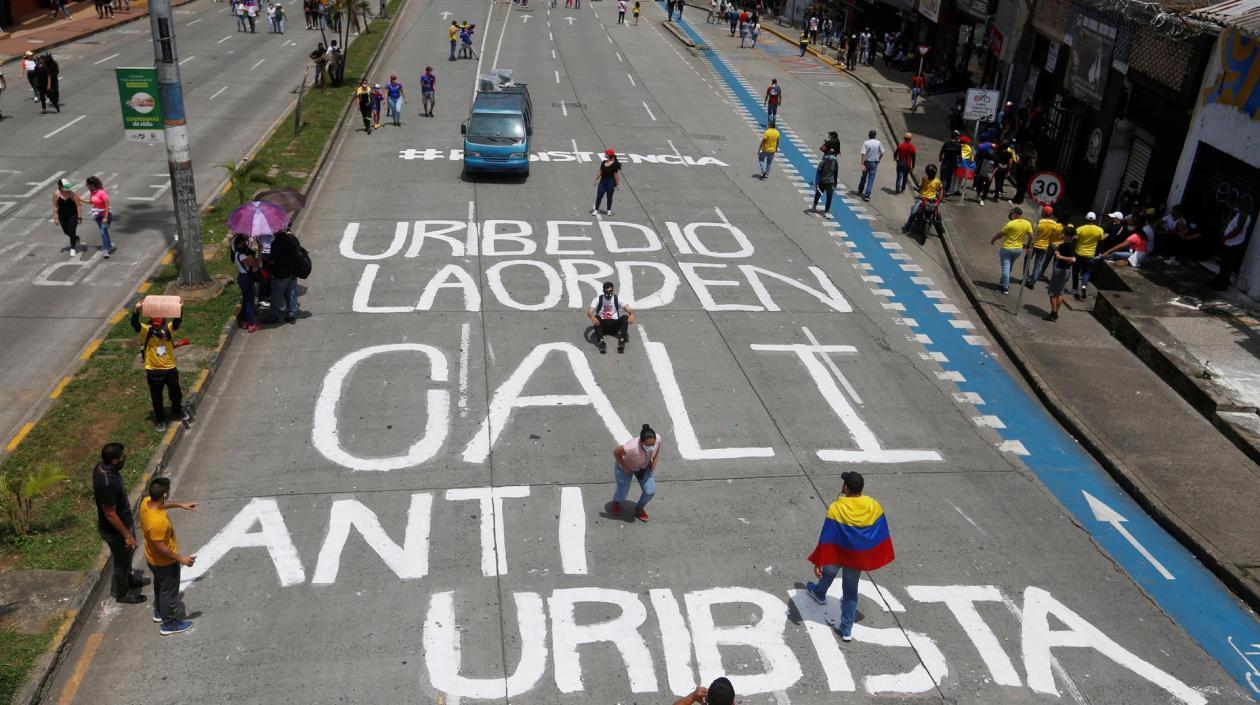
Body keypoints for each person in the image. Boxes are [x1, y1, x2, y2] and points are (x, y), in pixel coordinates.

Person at [803, 471, 894, 642]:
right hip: (856, 556)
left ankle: (819, 593)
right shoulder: (873, 505)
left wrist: (818, 560)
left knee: (828, 572)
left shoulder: (836, 508)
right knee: (850, 591)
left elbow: (827, 535)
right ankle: (846, 629)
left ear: (845, 487)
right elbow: (879, 530)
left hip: (838, 552)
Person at [94, 443, 151, 605]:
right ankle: (122, 593)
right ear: (114, 461)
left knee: (127, 556)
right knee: (120, 560)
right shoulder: (106, 483)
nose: (124, 459)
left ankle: (129, 579)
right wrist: (126, 535)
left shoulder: (102, 467)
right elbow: (110, 514)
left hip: (123, 520)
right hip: (115, 529)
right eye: (122, 458)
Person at [139, 477, 198, 636]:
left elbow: (161, 506)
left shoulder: (146, 503)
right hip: (164, 562)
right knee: (169, 593)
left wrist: (180, 505)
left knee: (161, 587)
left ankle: (159, 611)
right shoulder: (157, 523)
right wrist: (180, 558)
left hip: (152, 559)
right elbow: (160, 548)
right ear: (165, 494)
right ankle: (169, 624)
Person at [131, 301, 190, 431]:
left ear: (163, 317)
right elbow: (135, 324)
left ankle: (177, 410)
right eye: (154, 315)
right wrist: (136, 310)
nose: (157, 317)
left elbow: (177, 322)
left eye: (160, 315)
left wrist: (179, 309)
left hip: (170, 369)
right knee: (156, 397)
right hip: (153, 371)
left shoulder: (168, 328)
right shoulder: (146, 330)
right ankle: (160, 419)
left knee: (176, 393)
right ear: (150, 317)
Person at [609, 424, 660, 521]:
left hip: (643, 467)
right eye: (648, 445)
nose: (651, 447)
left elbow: (658, 448)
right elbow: (616, 452)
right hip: (626, 467)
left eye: (652, 444)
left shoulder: (657, 439)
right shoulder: (631, 447)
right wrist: (624, 467)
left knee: (650, 491)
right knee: (622, 493)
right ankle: (616, 502)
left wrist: (654, 462)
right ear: (641, 441)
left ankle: (639, 508)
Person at [989, 206, 1032, 294]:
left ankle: (1004, 288)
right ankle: (1002, 283)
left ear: (1016, 214)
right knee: (1009, 267)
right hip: (1018, 250)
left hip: (1007, 248)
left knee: (1005, 268)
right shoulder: (1027, 223)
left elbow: (1000, 235)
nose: (1011, 214)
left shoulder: (1010, 224)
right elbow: (1031, 236)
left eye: (1013, 213)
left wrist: (993, 239)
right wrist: (1027, 245)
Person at [1214, 196, 1252, 290]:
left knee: (1227, 265)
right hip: (1231, 242)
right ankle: (1219, 280)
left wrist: (1225, 238)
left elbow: (1238, 230)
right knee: (1224, 264)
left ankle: (1222, 284)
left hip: (1233, 243)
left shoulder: (1243, 215)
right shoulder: (1240, 214)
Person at [588, 280, 635, 353]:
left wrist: (631, 315)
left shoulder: (617, 299)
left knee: (625, 317)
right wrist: (592, 318)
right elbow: (589, 312)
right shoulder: (598, 299)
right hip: (602, 325)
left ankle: (622, 340)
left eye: (610, 291)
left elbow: (628, 309)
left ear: (613, 290)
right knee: (596, 317)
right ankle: (601, 342)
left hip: (614, 325)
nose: (608, 293)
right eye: (606, 291)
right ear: (603, 291)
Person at [266, 228, 301, 324]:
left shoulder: (276, 244)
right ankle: (291, 315)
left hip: (281, 274)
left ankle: (274, 316)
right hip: (293, 272)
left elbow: (272, 260)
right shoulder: (293, 239)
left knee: (276, 296)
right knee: (292, 293)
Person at [1043, 225, 1077, 321]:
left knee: (1053, 292)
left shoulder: (1065, 245)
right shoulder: (1071, 245)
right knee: (1060, 292)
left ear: (1068, 236)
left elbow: (1073, 259)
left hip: (1060, 269)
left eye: (1063, 234)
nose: (1061, 235)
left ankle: (1053, 313)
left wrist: (1059, 256)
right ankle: (1055, 313)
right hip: (1067, 270)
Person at [1025, 205, 1062, 288]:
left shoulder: (1038, 223)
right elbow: (1055, 235)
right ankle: (1033, 281)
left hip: (1034, 245)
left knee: (1027, 260)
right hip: (1044, 247)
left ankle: (1026, 278)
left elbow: (1031, 235)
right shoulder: (1054, 224)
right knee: (1038, 264)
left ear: (1043, 212)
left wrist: (1027, 246)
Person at [1072, 212, 1106, 300]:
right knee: (1086, 272)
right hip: (1090, 255)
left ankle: (1074, 289)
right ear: (1094, 220)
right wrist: (1099, 253)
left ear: (1086, 219)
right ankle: (1083, 286)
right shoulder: (1100, 230)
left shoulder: (1080, 229)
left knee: (1075, 271)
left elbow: (1074, 241)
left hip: (1078, 253)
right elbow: (1101, 242)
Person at [231, 234, 261, 332]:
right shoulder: (243, 256)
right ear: (239, 244)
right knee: (249, 301)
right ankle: (251, 324)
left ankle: (246, 321)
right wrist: (260, 252)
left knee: (246, 300)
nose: (245, 244)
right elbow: (256, 264)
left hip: (242, 278)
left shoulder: (236, 253)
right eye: (243, 242)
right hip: (246, 278)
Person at [901, 163, 942, 234]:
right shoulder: (924, 179)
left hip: (932, 200)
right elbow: (920, 188)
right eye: (929, 173)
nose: (930, 174)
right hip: (922, 199)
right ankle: (908, 226)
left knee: (938, 214)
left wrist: (940, 198)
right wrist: (919, 190)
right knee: (914, 212)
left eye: (931, 173)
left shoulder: (937, 181)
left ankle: (941, 227)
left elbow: (941, 189)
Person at [51, 178, 82, 256]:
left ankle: (73, 248)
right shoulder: (56, 194)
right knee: (66, 231)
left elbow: (78, 206)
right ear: (60, 187)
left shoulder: (72, 194)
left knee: (72, 231)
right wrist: (55, 218)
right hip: (62, 215)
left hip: (72, 215)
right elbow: (55, 206)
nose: (67, 190)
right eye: (65, 188)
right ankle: (76, 238)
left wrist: (79, 217)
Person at [85, 176, 113, 257]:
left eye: (87, 185)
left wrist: (105, 217)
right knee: (104, 232)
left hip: (106, 215)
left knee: (103, 231)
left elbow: (107, 205)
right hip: (97, 215)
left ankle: (106, 249)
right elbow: (91, 202)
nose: (86, 186)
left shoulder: (101, 192)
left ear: (92, 184)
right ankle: (109, 246)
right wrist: (80, 200)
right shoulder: (92, 192)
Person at [591, 148, 621, 216]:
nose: (604, 154)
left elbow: (616, 175)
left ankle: (609, 210)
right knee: (599, 196)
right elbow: (600, 172)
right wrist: (596, 180)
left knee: (609, 197)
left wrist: (617, 184)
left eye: (606, 153)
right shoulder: (603, 162)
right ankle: (596, 209)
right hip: (602, 181)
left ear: (608, 155)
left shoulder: (615, 164)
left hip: (611, 182)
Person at [856, 129, 883, 202]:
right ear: (875, 135)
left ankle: (860, 189)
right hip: (874, 163)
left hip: (866, 162)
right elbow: (882, 152)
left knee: (863, 176)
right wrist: (879, 159)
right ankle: (867, 195)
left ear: (869, 135)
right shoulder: (878, 143)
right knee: (871, 179)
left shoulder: (866, 143)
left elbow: (863, 154)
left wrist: (862, 164)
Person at [938, 132, 961, 197]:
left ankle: (942, 192)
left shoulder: (946, 144)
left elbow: (941, 151)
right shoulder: (958, 146)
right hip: (952, 165)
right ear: (956, 137)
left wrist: (940, 158)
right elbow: (959, 157)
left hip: (945, 163)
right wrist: (959, 164)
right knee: (949, 178)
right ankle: (946, 191)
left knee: (943, 178)